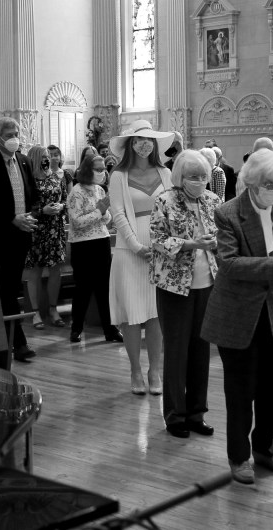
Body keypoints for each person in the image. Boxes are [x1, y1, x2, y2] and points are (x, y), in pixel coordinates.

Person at [202, 148, 273, 485]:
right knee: (240, 389)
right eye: (269, 183)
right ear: (252, 183)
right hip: (238, 313)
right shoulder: (228, 212)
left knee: (272, 385)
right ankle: (239, 456)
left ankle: (264, 449)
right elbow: (227, 263)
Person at [150, 150, 220, 439]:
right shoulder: (165, 201)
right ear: (180, 177)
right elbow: (157, 240)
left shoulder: (213, 201)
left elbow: (224, 235)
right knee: (177, 352)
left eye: (204, 176)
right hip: (174, 285)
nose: (200, 181)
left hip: (207, 283)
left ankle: (196, 413)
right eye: (194, 177)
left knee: (201, 351)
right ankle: (175, 415)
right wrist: (192, 244)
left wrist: (216, 242)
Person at [108, 119, 174, 394]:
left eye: (149, 139)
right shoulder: (118, 176)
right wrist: (136, 246)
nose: (144, 144)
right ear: (130, 144)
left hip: (161, 250)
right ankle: (135, 370)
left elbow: (173, 209)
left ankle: (154, 371)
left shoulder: (165, 172)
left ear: (155, 144)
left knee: (156, 313)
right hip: (129, 250)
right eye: (138, 140)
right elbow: (118, 214)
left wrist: (164, 245)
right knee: (132, 314)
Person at [0, 118, 40, 365]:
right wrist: (13, 219)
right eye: (10, 133)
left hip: (22, 233)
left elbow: (31, 192)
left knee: (11, 288)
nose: (15, 136)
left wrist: (32, 215)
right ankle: (17, 342)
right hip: (0, 233)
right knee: (5, 288)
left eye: (16, 132)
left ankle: (11, 340)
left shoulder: (23, 160)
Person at [66, 154, 122, 344]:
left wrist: (104, 212)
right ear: (87, 170)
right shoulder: (76, 192)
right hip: (82, 245)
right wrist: (99, 211)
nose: (102, 172)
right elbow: (77, 221)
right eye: (98, 169)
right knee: (83, 287)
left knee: (104, 288)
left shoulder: (100, 190)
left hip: (101, 241)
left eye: (103, 169)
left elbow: (106, 220)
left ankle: (110, 330)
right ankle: (76, 329)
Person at [24, 145, 69, 330]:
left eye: (48, 156)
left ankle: (53, 308)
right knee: (34, 271)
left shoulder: (56, 177)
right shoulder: (28, 179)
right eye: (43, 156)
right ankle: (35, 312)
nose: (47, 159)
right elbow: (24, 205)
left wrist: (61, 207)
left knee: (55, 270)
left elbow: (66, 199)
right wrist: (42, 210)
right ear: (34, 158)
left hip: (55, 228)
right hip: (36, 228)